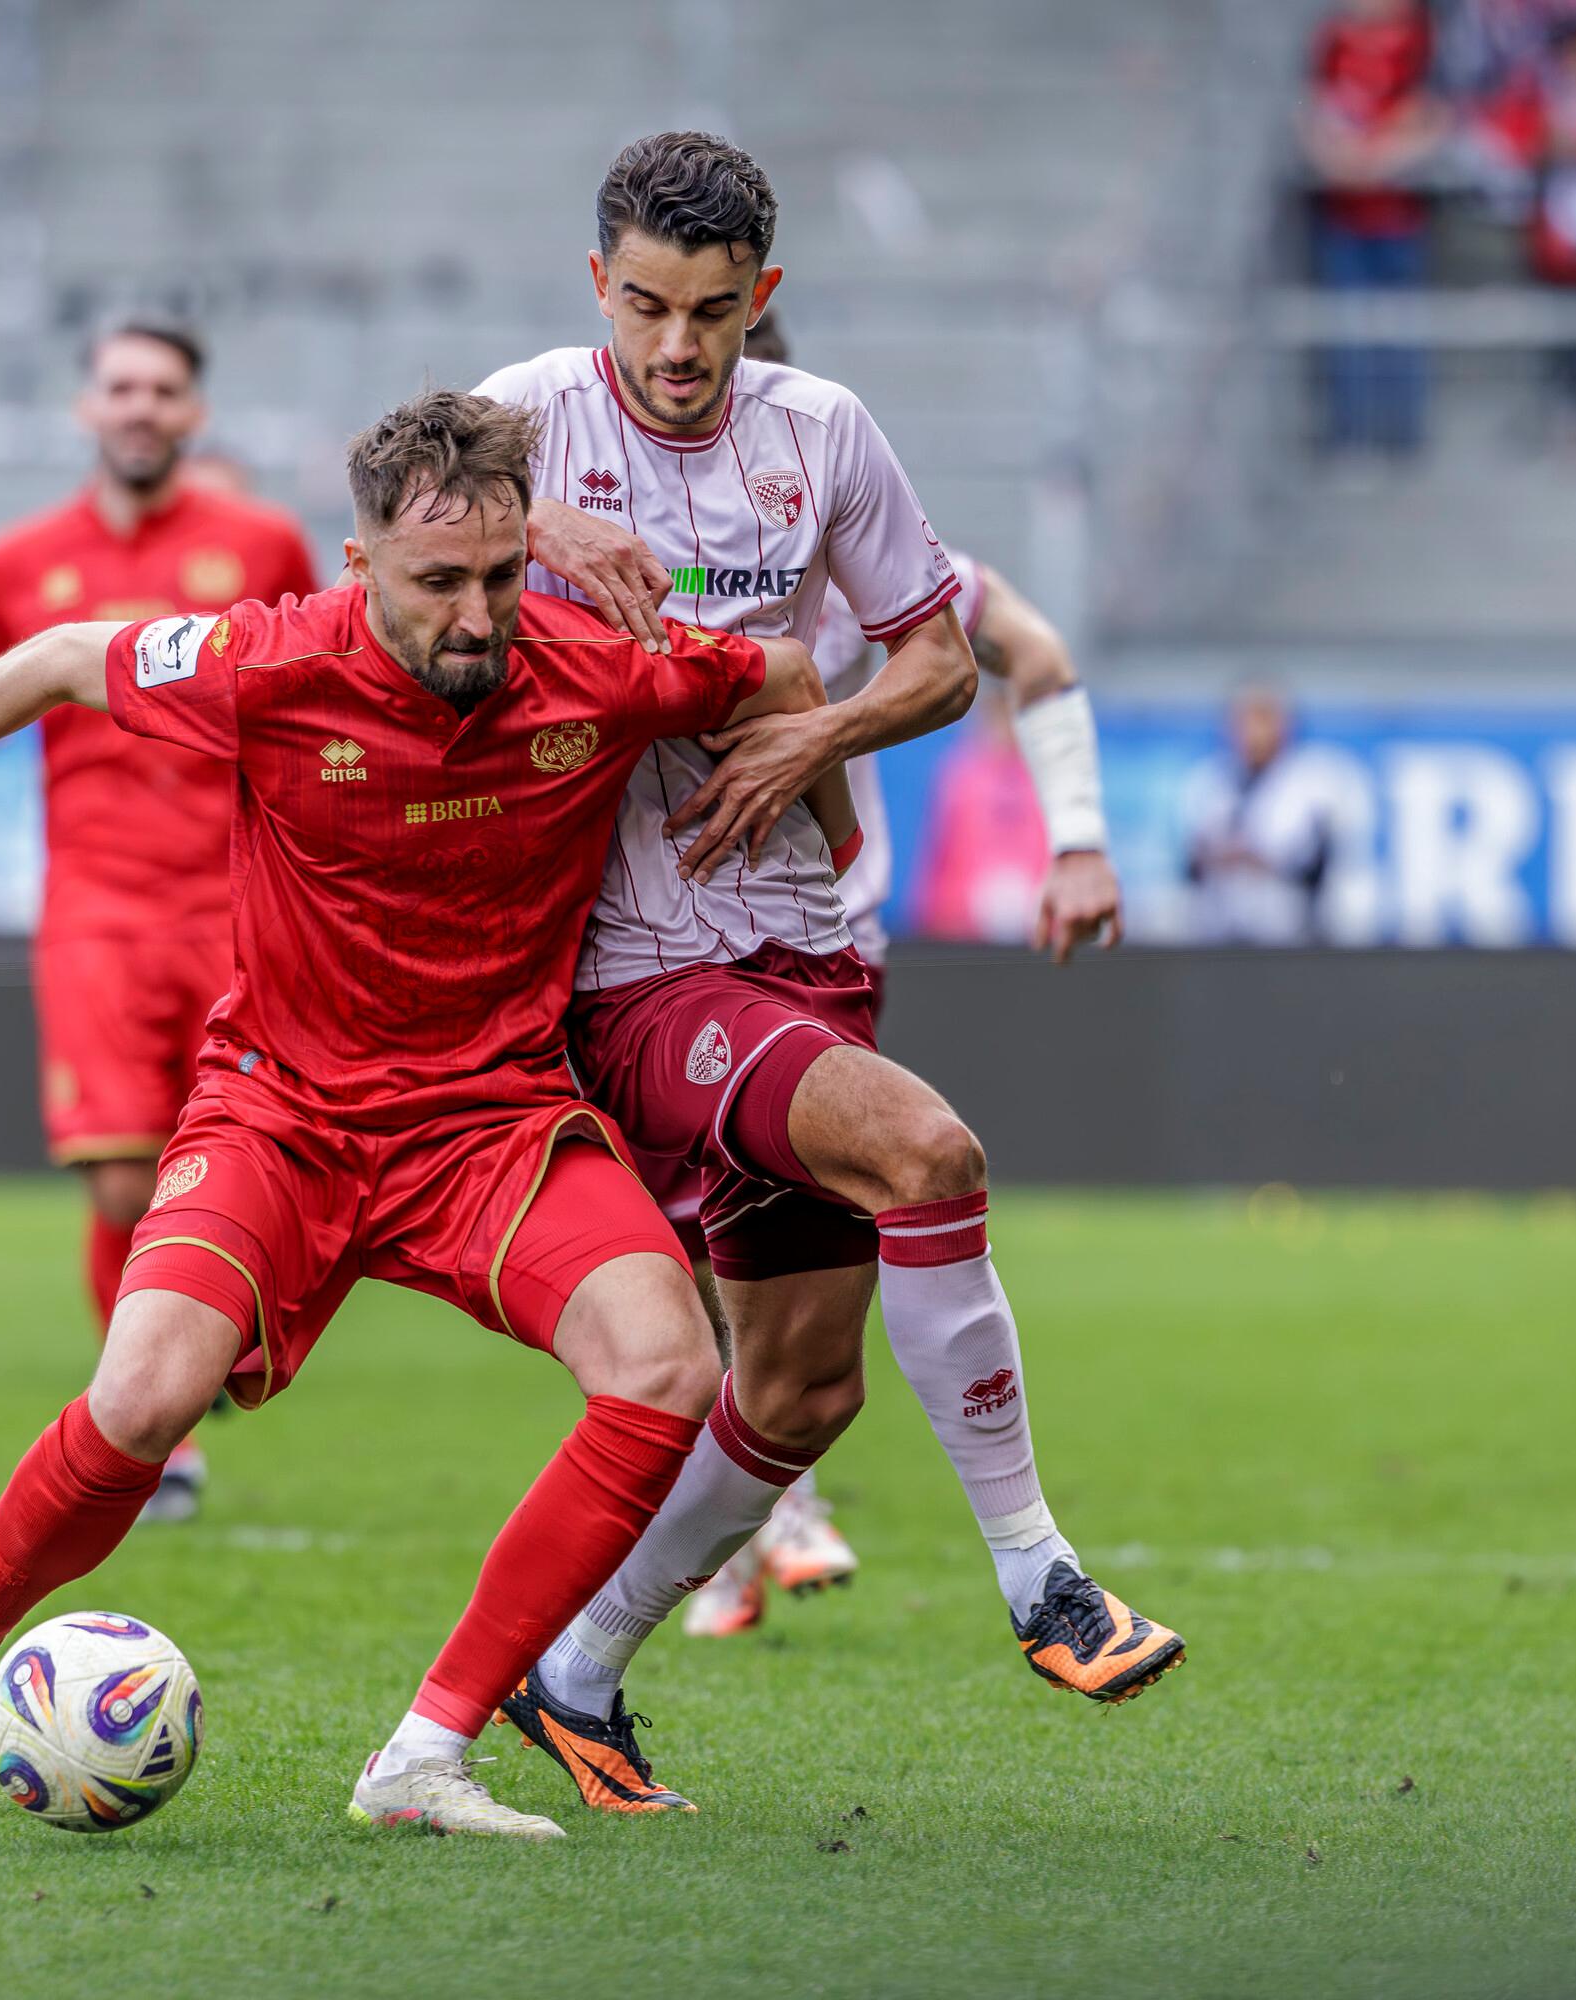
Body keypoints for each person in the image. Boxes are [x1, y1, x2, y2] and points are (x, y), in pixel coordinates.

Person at [0, 388, 855, 1841]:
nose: (478, 616)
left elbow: (787, 669)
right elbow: (51, 658)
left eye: (497, 576)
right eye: (438, 584)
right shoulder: (269, 658)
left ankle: (426, 1752)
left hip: (492, 1126)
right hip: (280, 1116)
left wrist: (814, 807)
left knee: (666, 1365)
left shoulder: (599, 668)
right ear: (361, 570)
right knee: (142, 1399)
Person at [474, 132, 1177, 1819]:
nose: (676, 347)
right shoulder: (521, 420)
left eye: (713, 311)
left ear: (761, 299)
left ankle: (573, 1674)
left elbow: (944, 658)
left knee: (800, 1381)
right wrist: (538, 528)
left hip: (802, 940)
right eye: (644, 306)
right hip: (633, 968)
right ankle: (1041, 1576)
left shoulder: (826, 435)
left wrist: (815, 738)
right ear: (598, 290)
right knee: (930, 1153)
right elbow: (373, 545)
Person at [664, 314, 1129, 1645]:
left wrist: (1082, 838)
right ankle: (763, 1508)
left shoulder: (886, 568)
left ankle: (785, 1501)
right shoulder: (617, 556)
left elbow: (1031, 652)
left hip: (818, 952)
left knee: (756, 1241)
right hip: (644, 956)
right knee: (688, 1250)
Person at [0, 321, 318, 1522]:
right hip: (94, 905)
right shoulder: (16, 561)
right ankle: (165, 1433)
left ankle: (211, 1347)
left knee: (262, 1162)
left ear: (194, 414)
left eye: (164, 390)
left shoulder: (259, 543)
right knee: (117, 1182)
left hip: (245, 904)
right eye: (121, 387)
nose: (141, 407)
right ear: (88, 408)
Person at [1302, 0, 1448, 459]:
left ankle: (1401, 436)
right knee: (1345, 328)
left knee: (1399, 328)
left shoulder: (1423, 41)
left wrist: (1377, 162)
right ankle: (1351, 436)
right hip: (1342, 215)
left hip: (1399, 217)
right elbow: (1313, 112)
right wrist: (1338, 161)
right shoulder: (1333, 41)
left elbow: (1433, 117)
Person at [1179, 682, 1369, 946]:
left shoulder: (1315, 784)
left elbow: (1317, 869)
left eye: (1263, 718)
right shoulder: (1209, 782)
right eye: (1244, 720)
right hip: (1221, 937)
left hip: (1293, 941)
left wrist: (1259, 859)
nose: (1253, 731)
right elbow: (1189, 867)